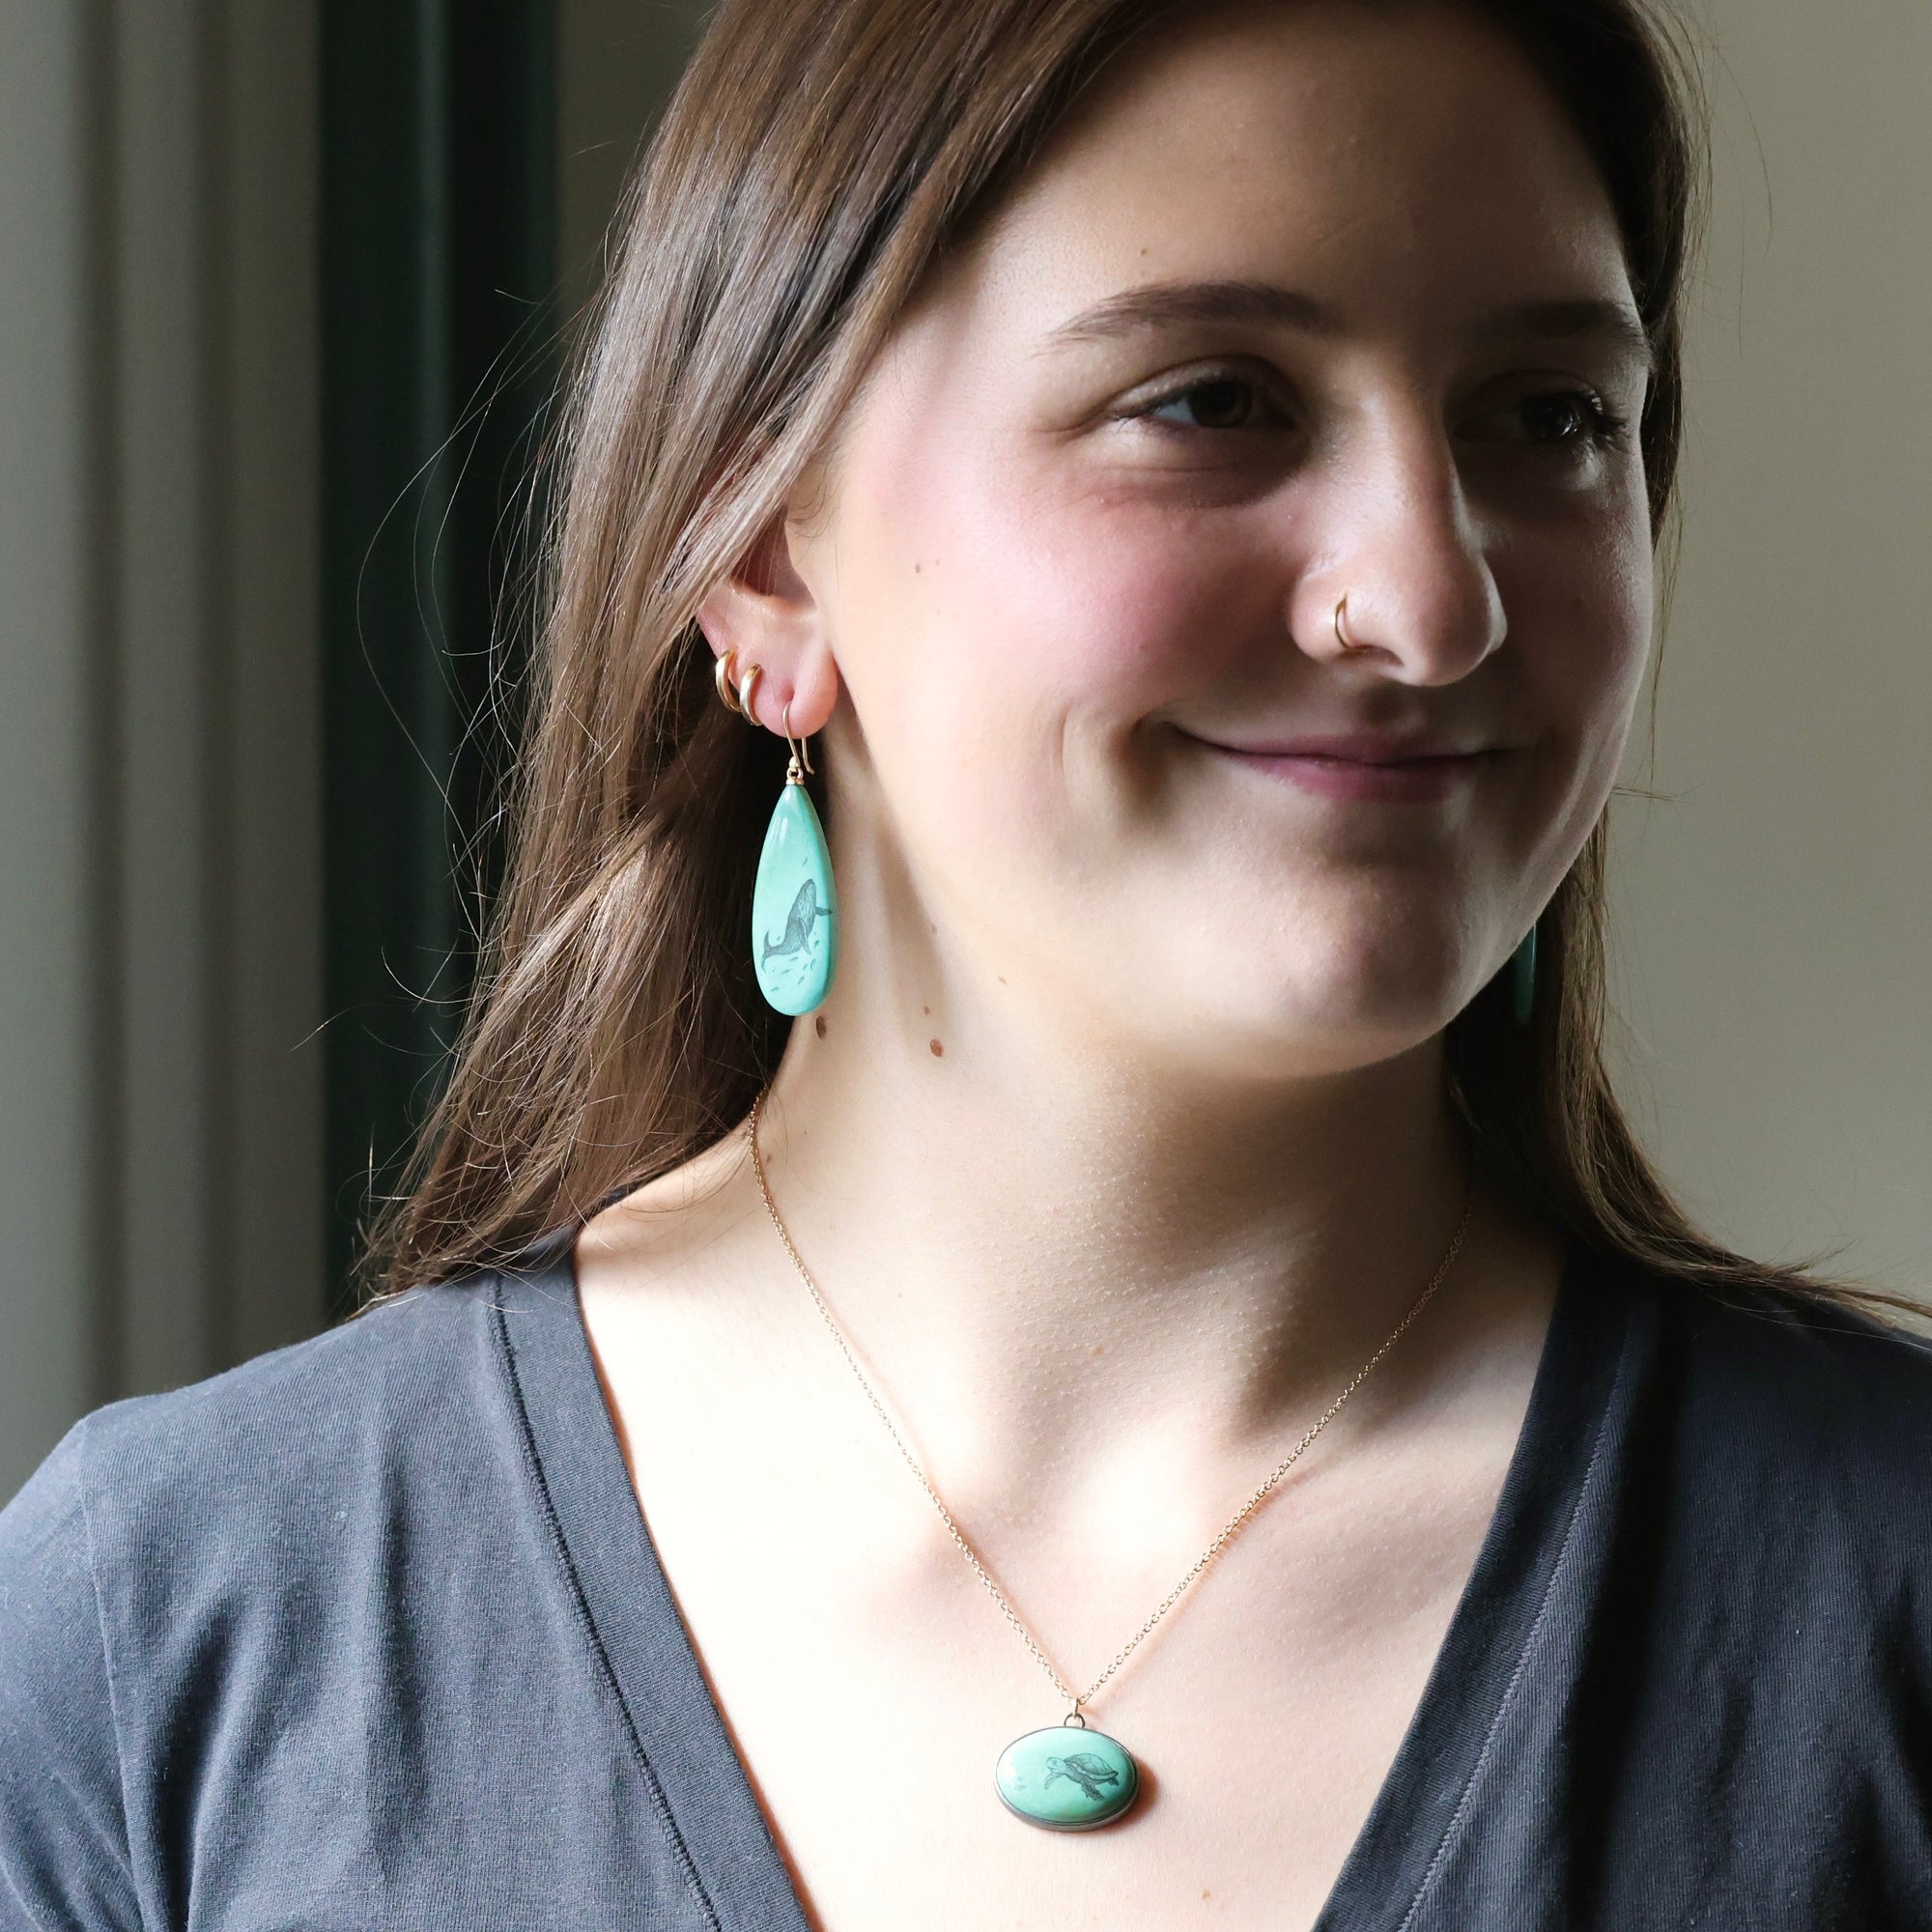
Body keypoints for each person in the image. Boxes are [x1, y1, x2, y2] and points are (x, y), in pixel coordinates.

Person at [4, 0, 1929, 1925]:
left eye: (1548, 417)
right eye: (1214, 398)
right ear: (763, 558)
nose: (1429, 597)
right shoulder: (167, 1636)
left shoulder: (1887, 1602)